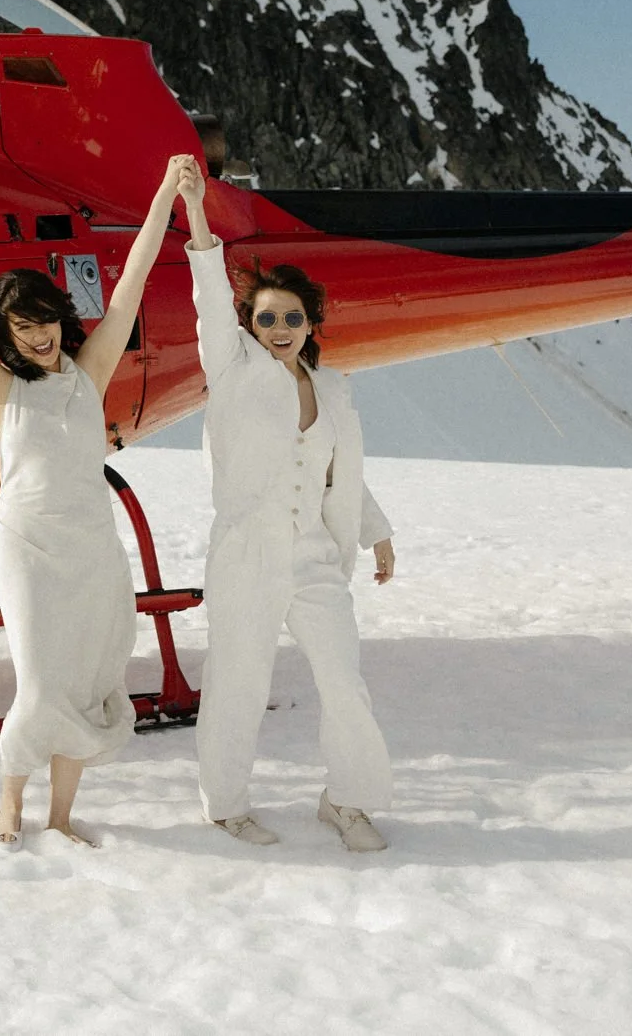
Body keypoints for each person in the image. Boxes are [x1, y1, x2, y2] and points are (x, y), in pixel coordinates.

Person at [0, 155, 193, 850]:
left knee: (90, 682)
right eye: (21, 329)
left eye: (44, 322)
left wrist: (163, 193)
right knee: (40, 681)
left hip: (93, 549)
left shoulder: (88, 373)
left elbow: (131, 279)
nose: (38, 336)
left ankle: (62, 815)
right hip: (30, 550)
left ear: (59, 319)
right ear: (4, 337)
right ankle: (10, 799)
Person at [175, 153, 397, 853]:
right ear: (250, 321)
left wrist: (375, 530)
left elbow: (337, 468)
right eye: (265, 316)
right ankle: (226, 803)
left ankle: (347, 800)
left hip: (314, 553)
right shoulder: (233, 370)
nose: (278, 326)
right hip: (247, 551)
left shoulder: (331, 389)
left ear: (309, 322)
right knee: (239, 680)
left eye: (291, 317)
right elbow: (209, 292)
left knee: (344, 680)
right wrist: (194, 209)